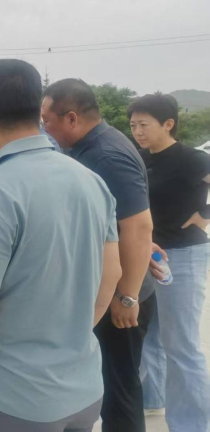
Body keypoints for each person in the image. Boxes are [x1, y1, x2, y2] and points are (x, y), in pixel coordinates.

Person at [0, 59, 122, 431]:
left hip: (11, 401)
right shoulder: (90, 181)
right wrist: (70, 339)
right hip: (84, 390)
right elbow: (111, 275)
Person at [42, 78, 155, 432]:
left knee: (119, 389)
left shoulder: (105, 155)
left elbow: (138, 227)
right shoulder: (88, 147)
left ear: (71, 118)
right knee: (106, 384)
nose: (45, 128)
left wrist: (127, 296)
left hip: (120, 295)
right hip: (108, 287)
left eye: (47, 120)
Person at [128, 94, 210, 431]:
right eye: (133, 125)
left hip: (182, 255)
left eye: (143, 125)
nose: (137, 132)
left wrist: (203, 216)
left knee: (181, 346)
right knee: (151, 335)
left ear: (168, 124)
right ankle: (153, 398)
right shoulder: (140, 158)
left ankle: (193, 424)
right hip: (147, 255)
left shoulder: (192, 159)